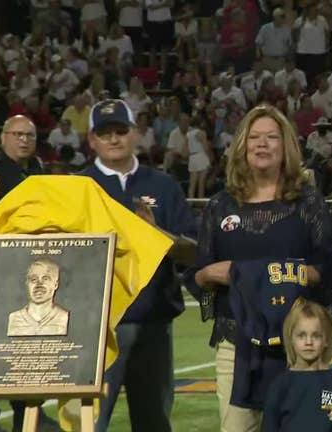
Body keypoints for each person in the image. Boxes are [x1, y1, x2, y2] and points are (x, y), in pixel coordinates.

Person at [184, 104, 332, 432]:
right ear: (242, 146)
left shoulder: (307, 202)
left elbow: (326, 270)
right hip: (237, 343)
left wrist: (266, 274)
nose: (262, 144)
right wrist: (213, 274)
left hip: (299, 343)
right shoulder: (220, 206)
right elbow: (199, 274)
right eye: (254, 137)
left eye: (271, 137)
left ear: (285, 147)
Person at [80, 99, 198, 432]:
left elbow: (193, 253)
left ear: (135, 134)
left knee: (154, 423)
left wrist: (156, 234)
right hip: (96, 328)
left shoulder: (163, 185)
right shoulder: (78, 188)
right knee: (89, 424)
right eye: (105, 133)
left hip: (153, 324)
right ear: (92, 140)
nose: (114, 139)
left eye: (121, 130)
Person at [0, 114, 54, 432]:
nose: (23, 140)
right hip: (0, 271)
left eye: (29, 136)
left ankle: (27, 412)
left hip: (32, 269)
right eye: (17, 134)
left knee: (28, 346)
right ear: (3, 137)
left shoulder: (37, 171)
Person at [262, 300, 332, 432]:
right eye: (301, 335)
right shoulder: (279, 386)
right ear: (291, 339)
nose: (308, 342)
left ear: (326, 340)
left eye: (316, 336)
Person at [7, 259, 69, 337]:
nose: (39, 284)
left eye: (45, 279)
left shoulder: (63, 317)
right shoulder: (14, 319)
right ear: (27, 284)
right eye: (34, 279)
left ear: (55, 285)